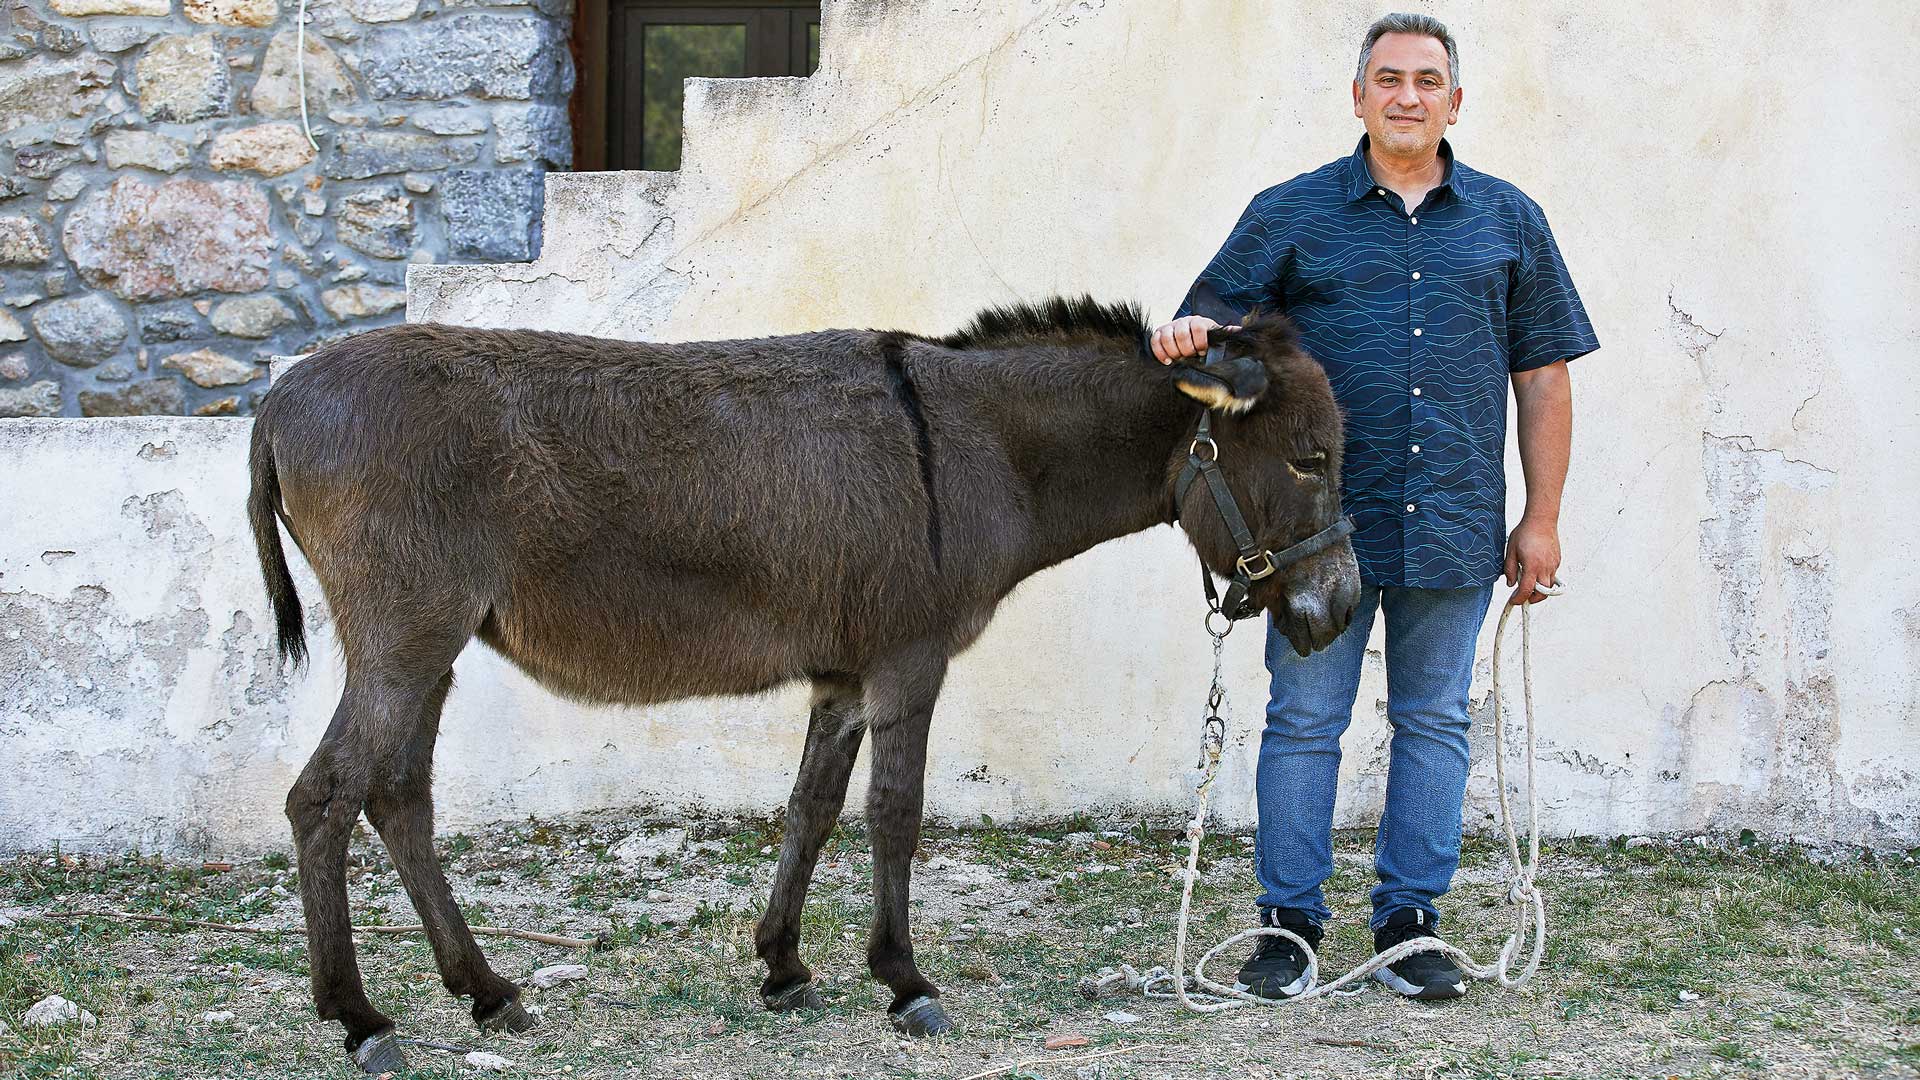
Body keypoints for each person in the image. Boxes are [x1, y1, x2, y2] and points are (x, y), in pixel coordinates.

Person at [1152, 12, 1597, 1000]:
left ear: (1455, 100)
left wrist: (1543, 517)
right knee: (1306, 721)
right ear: (1358, 96)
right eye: (1387, 77)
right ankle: (1288, 929)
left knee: (1435, 719)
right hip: (1317, 534)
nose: (1407, 94)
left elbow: (1545, 379)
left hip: (1453, 518)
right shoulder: (1292, 211)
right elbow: (1214, 322)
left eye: (1426, 80)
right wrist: (1192, 332)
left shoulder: (1509, 220)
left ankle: (1411, 926)